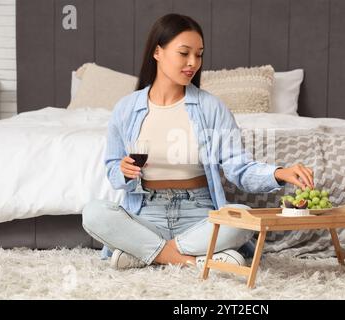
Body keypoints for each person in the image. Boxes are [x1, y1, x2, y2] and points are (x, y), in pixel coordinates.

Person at [82, 13, 314, 270]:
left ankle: (144, 252)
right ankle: (194, 259)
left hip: (199, 213)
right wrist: (124, 172)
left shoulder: (211, 108)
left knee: (243, 218)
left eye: (199, 54)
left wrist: (279, 173)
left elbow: (239, 168)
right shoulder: (126, 109)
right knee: (93, 213)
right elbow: (114, 171)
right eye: (184, 53)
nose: (193, 62)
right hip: (147, 212)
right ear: (157, 52)